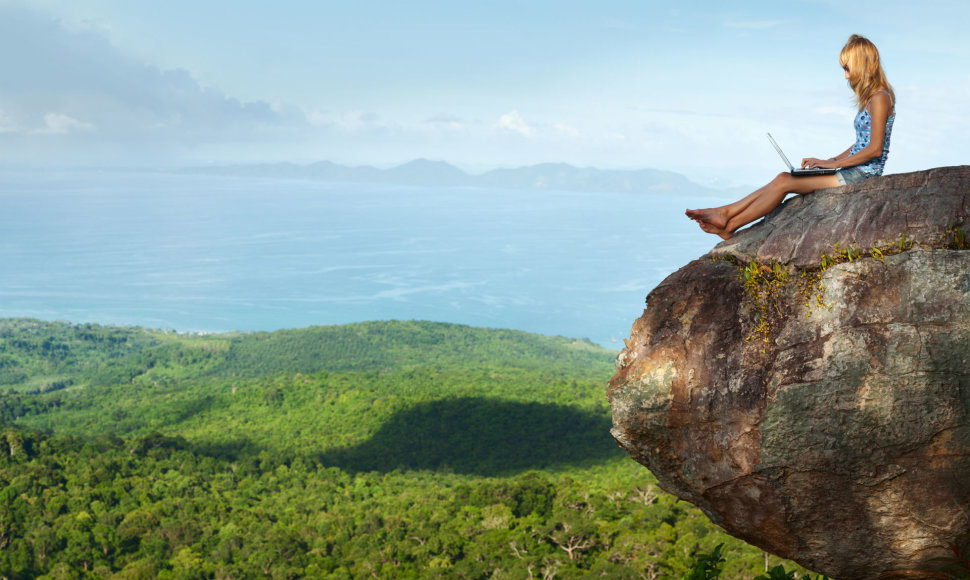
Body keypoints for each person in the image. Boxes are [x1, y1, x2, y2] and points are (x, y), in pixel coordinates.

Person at [686, 34, 895, 240]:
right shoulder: (874, 98)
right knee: (782, 178)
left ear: (862, 65)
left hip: (861, 175)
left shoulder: (880, 98)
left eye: (847, 68)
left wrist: (835, 163)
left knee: (784, 183)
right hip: (852, 171)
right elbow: (861, 144)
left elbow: (874, 149)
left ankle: (728, 221)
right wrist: (830, 161)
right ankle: (726, 217)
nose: (846, 76)